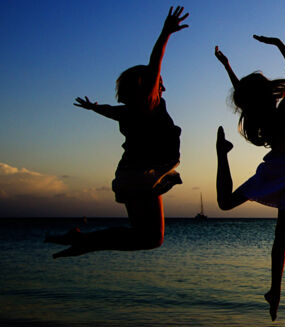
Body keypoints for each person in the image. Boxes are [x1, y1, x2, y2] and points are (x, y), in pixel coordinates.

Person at [45, 7, 188, 259]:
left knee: (144, 235)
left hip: (129, 175)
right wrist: (165, 33)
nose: (163, 85)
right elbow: (155, 63)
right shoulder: (149, 103)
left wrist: (94, 107)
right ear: (148, 86)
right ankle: (84, 240)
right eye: (159, 82)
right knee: (153, 238)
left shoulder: (129, 111)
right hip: (142, 175)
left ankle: (82, 240)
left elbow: (111, 111)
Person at [214, 35, 285, 321]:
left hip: (280, 167)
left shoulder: (260, 114)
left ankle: (222, 153)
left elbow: (242, 93)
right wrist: (278, 43)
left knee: (226, 203)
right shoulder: (281, 112)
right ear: (265, 94)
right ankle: (275, 291)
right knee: (282, 237)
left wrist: (227, 65)